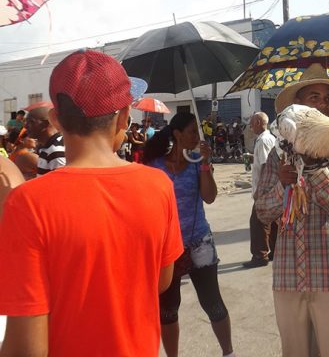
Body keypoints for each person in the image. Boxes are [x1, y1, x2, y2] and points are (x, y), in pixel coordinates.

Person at [0, 49, 183, 356]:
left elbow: (26, 347)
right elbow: (162, 280)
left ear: (56, 119)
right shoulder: (159, 185)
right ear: (124, 117)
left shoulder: (29, 203)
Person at [256, 63, 329, 357]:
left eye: (328, 98)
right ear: (298, 106)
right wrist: (282, 184)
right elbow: (263, 212)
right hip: (289, 278)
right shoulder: (279, 153)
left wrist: (314, 169)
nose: (324, 104)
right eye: (314, 97)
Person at [144, 112, 235, 357]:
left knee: (213, 303)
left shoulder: (197, 164)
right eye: (193, 131)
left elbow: (210, 197)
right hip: (167, 247)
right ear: (177, 134)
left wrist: (205, 164)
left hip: (199, 242)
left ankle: (229, 353)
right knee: (168, 309)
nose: (197, 136)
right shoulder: (154, 166)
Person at [243, 112, 278, 268]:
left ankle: (259, 255)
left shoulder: (263, 140)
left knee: (257, 222)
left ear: (258, 122)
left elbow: (265, 165)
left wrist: (260, 190)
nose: (250, 126)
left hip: (265, 188)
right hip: (272, 187)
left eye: (252, 123)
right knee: (273, 220)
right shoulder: (269, 138)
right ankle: (275, 250)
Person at [25, 105, 66, 175]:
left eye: (31, 122)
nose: (25, 126)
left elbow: (61, 183)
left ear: (45, 124)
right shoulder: (46, 147)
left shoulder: (56, 151)